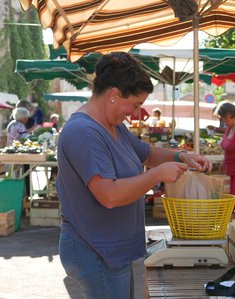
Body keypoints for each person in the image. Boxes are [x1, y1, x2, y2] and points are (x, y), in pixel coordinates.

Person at [56, 52, 212, 299]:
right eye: (136, 104)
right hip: (95, 251)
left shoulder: (114, 125)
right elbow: (108, 195)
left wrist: (181, 157)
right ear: (114, 95)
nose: (134, 112)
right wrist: (156, 176)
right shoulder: (83, 132)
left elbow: (147, 154)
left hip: (115, 248)